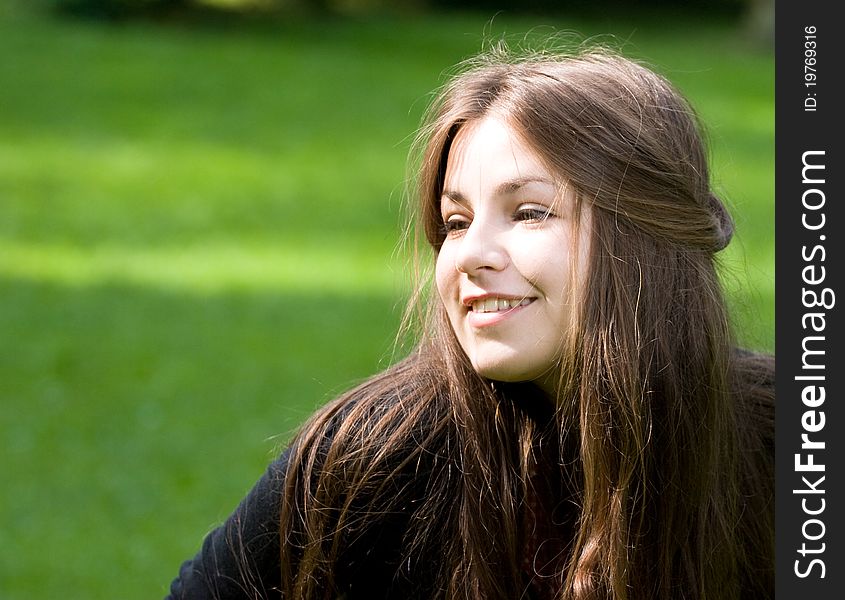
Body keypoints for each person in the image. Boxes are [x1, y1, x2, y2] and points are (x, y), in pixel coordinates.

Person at [166, 47, 774, 600]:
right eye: (456, 223)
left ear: (647, 236)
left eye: (529, 212)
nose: (471, 253)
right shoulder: (375, 457)